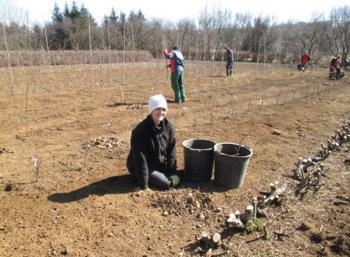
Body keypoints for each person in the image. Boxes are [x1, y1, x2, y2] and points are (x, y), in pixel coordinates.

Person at [127, 94, 180, 191]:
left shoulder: (168, 127)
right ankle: (141, 178)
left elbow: (171, 151)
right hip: (143, 166)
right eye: (158, 109)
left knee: (178, 177)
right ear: (151, 111)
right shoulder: (140, 131)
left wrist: (173, 172)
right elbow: (140, 159)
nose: (161, 112)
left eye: (164, 109)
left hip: (158, 163)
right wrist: (144, 186)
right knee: (166, 183)